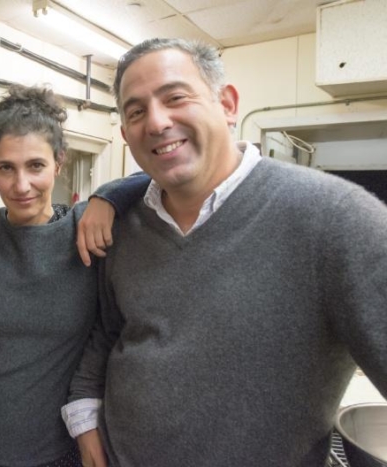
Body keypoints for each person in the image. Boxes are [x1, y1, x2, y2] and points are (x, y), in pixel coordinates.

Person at [66, 38, 387, 467]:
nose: (157, 122)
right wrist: (86, 421)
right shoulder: (122, 227)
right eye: (136, 111)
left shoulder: (336, 219)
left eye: (175, 97)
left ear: (228, 104)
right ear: (125, 135)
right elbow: (107, 334)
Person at [0, 84, 149, 467]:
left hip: (63, 449)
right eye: (6, 168)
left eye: (36, 166)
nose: (21, 185)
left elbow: (158, 176)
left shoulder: (84, 229)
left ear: (59, 164)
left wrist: (108, 194)